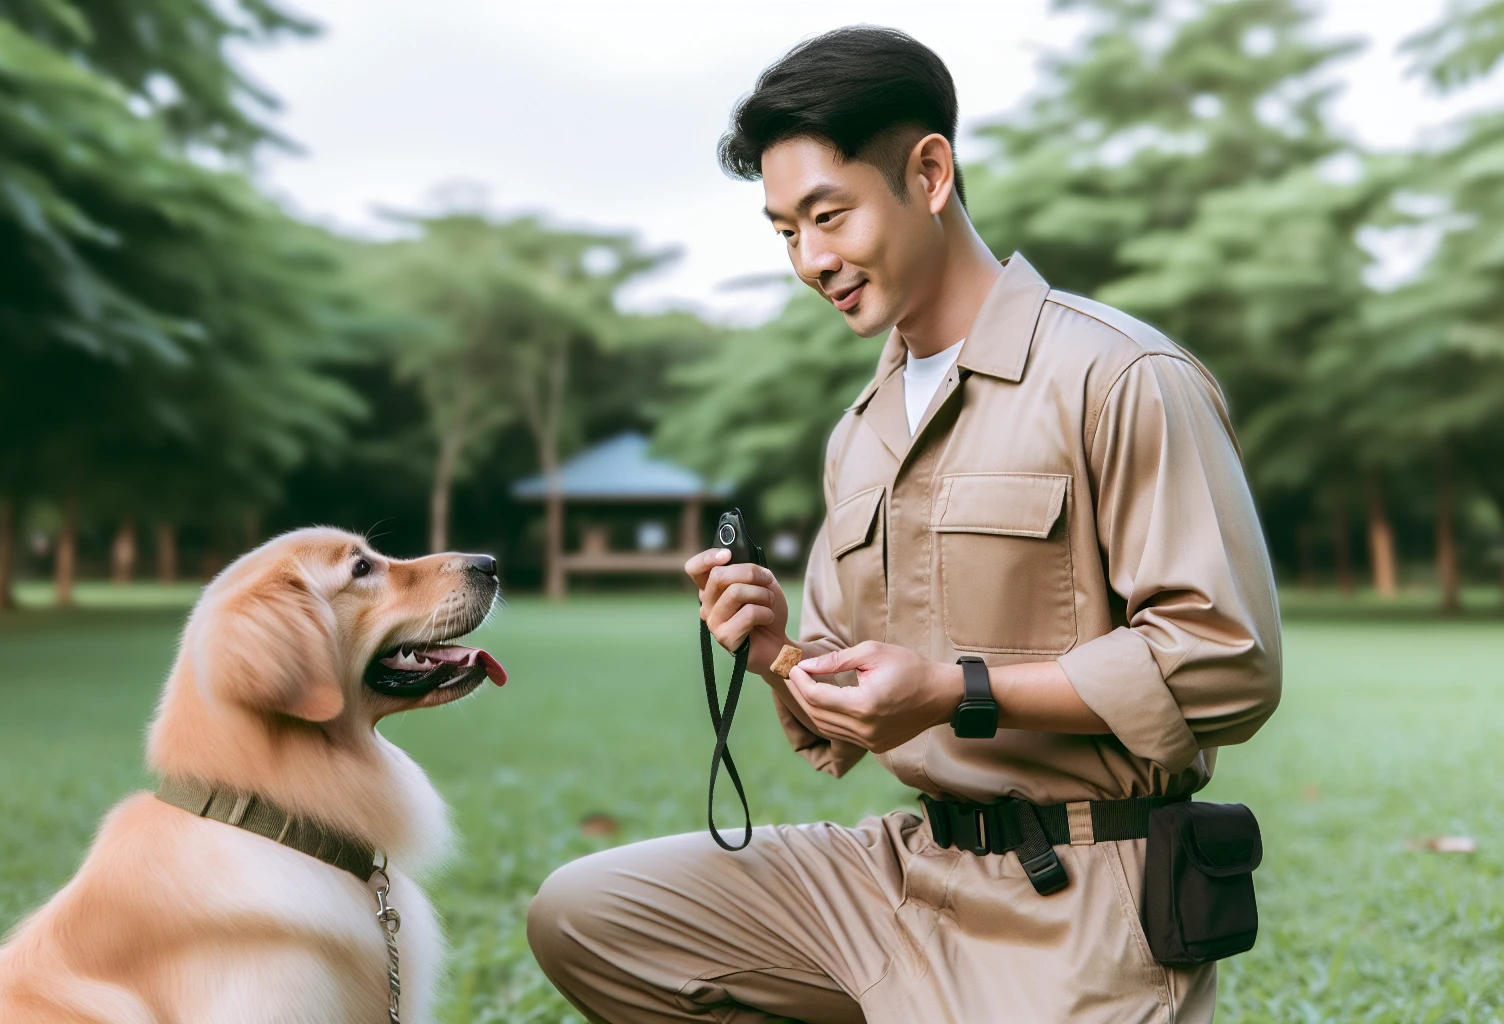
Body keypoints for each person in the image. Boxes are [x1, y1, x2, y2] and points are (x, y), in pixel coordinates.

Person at [526, 25, 1281, 1024]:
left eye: (826, 215)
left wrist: (952, 690)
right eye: (784, 232)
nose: (810, 259)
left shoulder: (1120, 376)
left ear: (928, 172)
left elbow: (1225, 663)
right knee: (589, 915)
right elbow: (852, 692)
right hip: (905, 875)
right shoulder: (861, 431)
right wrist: (775, 653)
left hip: (1086, 897)